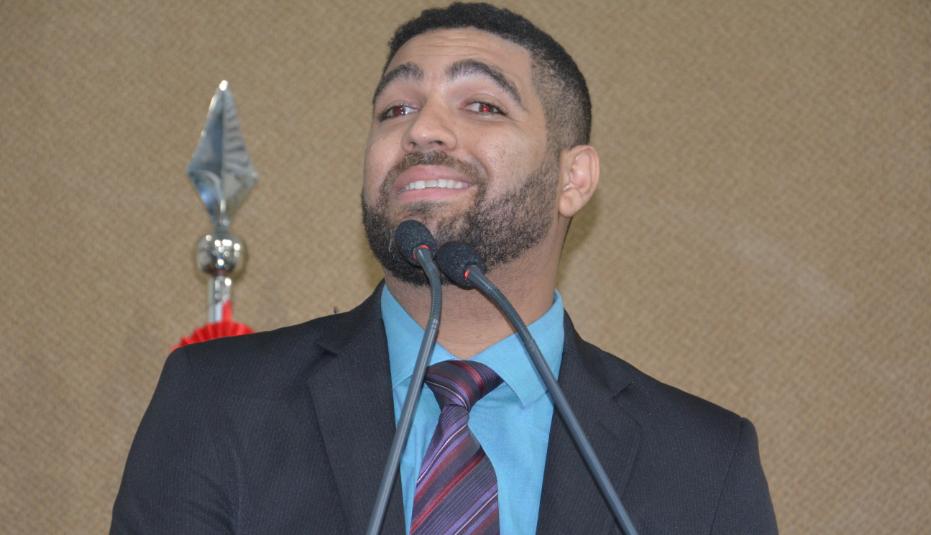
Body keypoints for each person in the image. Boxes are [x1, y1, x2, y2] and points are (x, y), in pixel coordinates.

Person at [111, 3, 777, 534]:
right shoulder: (219, 403)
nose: (422, 130)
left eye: (482, 105)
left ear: (572, 179)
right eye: (395, 109)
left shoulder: (703, 461)